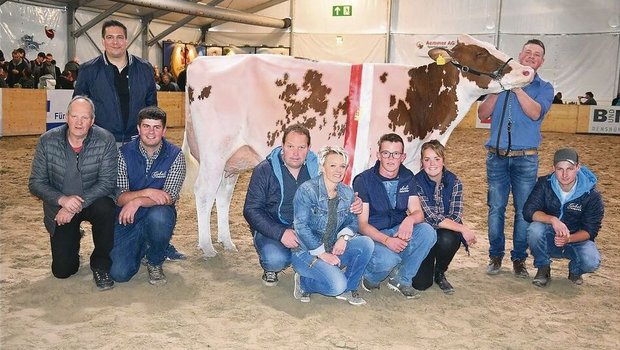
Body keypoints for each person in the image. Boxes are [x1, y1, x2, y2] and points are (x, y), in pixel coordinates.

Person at [243, 124, 362, 287]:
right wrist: (280, 233)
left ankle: (310, 266)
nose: (295, 153)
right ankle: (273, 263)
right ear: (282, 146)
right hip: (275, 226)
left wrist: (354, 202)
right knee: (276, 259)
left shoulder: (317, 167)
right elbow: (251, 209)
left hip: (309, 226)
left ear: (308, 148)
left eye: (301, 147)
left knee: (352, 242)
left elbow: (337, 187)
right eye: (290, 146)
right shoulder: (264, 170)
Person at [478, 39, 554, 278]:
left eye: (537, 54)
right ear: (520, 55)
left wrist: (518, 87)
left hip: (526, 159)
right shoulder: (499, 82)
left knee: (523, 211)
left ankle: (519, 258)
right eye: (528, 52)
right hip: (496, 157)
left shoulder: (545, 88)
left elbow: (535, 113)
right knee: (496, 208)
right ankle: (495, 255)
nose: (532, 56)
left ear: (541, 62)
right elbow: (482, 113)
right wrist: (499, 88)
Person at [28, 96, 118, 291]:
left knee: (107, 208)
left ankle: (100, 264)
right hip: (60, 208)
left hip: (93, 200)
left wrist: (75, 205)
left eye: (85, 117)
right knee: (62, 271)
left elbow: (108, 182)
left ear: (92, 121)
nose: (79, 122)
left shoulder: (106, 139)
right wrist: (62, 200)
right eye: (74, 116)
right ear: (66, 117)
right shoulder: (47, 141)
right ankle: (74, 237)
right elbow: (35, 183)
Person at [352, 133, 436, 299]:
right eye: (386, 153)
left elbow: (418, 212)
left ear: (403, 157)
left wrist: (409, 219)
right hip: (374, 235)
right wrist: (387, 241)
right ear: (378, 155)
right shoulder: (364, 180)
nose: (391, 158)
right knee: (388, 259)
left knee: (427, 232)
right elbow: (362, 225)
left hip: (397, 230)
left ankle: (401, 279)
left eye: (396, 154)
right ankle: (370, 277)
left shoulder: (407, 177)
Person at [110, 106, 186, 286]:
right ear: (138, 128)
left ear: (164, 130)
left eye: (156, 127)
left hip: (157, 215)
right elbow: (119, 197)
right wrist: (147, 193)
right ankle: (142, 245)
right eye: (146, 126)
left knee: (160, 216)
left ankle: (155, 260)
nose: (151, 132)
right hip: (128, 218)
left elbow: (169, 197)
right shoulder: (123, 154)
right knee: (119, 273)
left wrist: (136, 201)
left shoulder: (175, 156)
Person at [291, 146, 374, 305]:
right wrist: (322, 254)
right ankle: (304, 283)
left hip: (331, 247)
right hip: (306, 252)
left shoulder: (347, 192)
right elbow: (300, 227)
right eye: (332, 165)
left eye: (342, 166)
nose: (338, 170)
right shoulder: (307, 190)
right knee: (336, 286)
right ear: (322, 167)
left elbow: (353, 221)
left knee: (366, 243)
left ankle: (349, 288)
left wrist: (343, 237)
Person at [524, 148, 603, 287]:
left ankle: (575, 270)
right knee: (534, 229)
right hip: (550, 238)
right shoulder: (544, 184)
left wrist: (569, 239)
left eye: (570, 169)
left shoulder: (591, 195)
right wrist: (553, 220)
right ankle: (543, 268)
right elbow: (529, 211)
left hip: (576, 241)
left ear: (578, 167)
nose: (565, 174)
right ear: (553, 168)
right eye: (560, 169)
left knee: (592, 261)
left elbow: (591, 230)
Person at [74, 19, 157, 145]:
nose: (115, 42)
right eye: (110, 37)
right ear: (103, 41)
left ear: (126, 41)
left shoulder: (145, 68)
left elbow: (152, 106)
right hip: (101, 142)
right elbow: (79, 108)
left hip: (136, 141)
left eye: (119, 37)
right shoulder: (88, 70)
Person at [412, 140, 477, 295]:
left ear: (443, 160)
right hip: (424, 234)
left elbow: (455, 215)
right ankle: (425, 261)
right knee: (420, 284)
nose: (432, 163)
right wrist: (463, 228)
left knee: (448, 239)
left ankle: (440, 271)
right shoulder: (415, 182)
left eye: (437, 159)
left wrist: (453, 226)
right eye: (427, 159)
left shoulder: (455, 182)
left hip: (445, 233)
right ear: (421, 162)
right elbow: (430, 216)